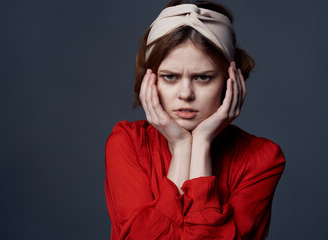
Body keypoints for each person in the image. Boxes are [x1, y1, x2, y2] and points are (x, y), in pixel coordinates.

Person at [105, 0, 285, 239]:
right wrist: (181, 146)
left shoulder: (261, 160)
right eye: (170, 77)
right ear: (150, 81)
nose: (186, 94)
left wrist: (200, 144)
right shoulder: (128, 143)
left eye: (202, 77)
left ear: (230, 81)